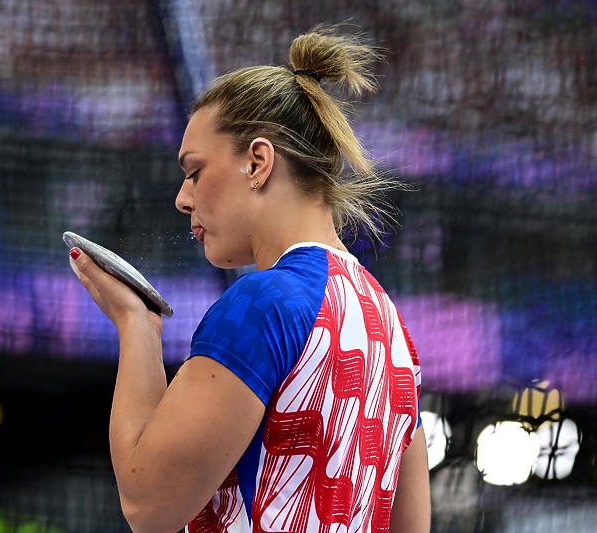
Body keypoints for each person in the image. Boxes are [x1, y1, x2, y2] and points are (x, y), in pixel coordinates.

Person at [68, 26, 430, 533]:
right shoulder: (394, 333)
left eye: (193, 171)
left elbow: (148, 503)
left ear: (258, 162)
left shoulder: (264, 304)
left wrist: (137, 327)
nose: (182, 198)